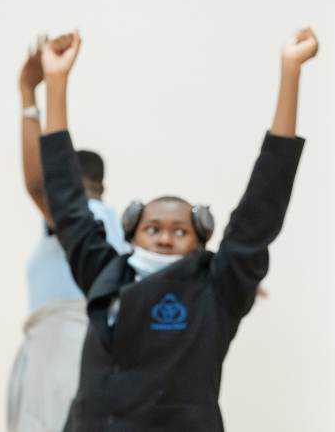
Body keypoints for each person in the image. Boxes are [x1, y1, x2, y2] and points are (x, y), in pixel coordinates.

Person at [37, 28, 316, 430]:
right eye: (153, 228)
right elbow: (67, 200)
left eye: (180, 231)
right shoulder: (105, 274)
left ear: (200, 238)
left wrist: (290, 72)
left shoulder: (217, 288)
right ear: (132, 231)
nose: (165, 237)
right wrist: (55, 84)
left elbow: (262, 207)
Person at [8, 34, 130, 432]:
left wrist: (29, 93)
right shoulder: (117, 229)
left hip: (65, 345)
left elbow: (38, 184)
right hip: (71, 345)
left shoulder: (86, 216)